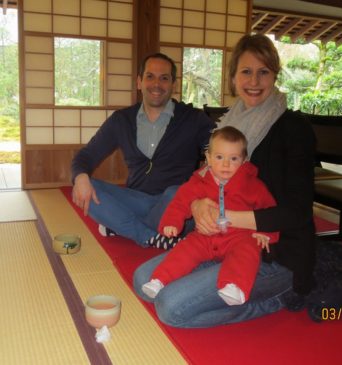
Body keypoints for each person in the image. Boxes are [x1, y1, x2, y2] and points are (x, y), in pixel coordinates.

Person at [133, 34, 316, 328]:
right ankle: (221, 277)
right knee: (142, 279)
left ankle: (279, 297)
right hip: (220, 241)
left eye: (263, 72)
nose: (254, 81)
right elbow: (203, 181)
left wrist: (223, 216)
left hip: (273, 252)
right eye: (246, 71)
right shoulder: (228, 125)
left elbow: (296, 214)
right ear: (232, 78)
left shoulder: (294, 128)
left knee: (171, 308)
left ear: (274, 75)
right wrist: (196, 206)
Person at [71, 53, 215, 246]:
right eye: (150, 76)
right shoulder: (122, 120)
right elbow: (86, 155)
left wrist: (204, 179)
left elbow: (219, 153)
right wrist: (80, 177)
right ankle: (149, 236)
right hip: (135, 200)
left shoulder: (194, 119)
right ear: (139, 82)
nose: (157, 84)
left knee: (175, 192)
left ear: (173, 84)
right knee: (87, 186)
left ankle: (121, 224)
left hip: (176, 205)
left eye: (164, 78)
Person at [142, 126, 279, 306]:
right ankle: (159, 280)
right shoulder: (199, 181)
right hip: (206, 235)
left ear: (244, 161)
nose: (225, 164)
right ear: (208, 158)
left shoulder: (253, 185)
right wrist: (171, 222)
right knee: (184, 249)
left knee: (247, 253)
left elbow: (269, 209)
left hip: (239, 236)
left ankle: (234, 286)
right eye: (219, 157)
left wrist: (266, 233)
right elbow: (181, 201)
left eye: (234, 159)